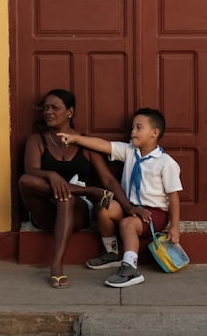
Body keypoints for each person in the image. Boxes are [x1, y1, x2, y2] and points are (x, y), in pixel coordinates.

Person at [17, 89, 129, 289]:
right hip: (45, 210)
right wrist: (52, 175)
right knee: (26, 180)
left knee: (66, 198)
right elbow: (31, 170)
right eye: (46, 108)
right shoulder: (37, 140)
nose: (48, 112)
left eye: (55, 108)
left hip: (77, 211)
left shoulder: (84, 144)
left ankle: (57, 267)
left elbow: (108, 180)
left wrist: (129, 208)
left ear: (70, 112)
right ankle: (88, 191)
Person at [58, 108, 182, 288]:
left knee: (127, 224)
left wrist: (175, 227)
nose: (133, 132)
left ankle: (131, 267)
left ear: (154, 133)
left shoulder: (166, 163)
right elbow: (103, 145)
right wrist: (75, 138)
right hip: (129, 207)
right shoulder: (130, 151)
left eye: (139, 128)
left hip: (153, 214)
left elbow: (174, 197)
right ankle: (112, 253)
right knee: (104, 208)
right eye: (132, 127)